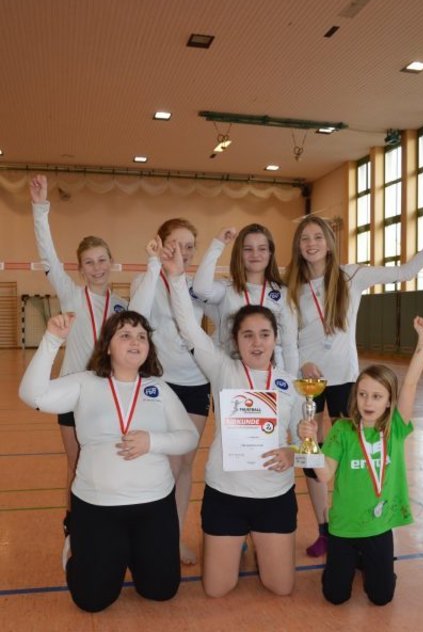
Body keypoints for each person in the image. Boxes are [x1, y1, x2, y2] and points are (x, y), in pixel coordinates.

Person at [286, 213, 423, 558]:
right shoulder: (290, 285)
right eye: (304, 239)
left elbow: (404, 272)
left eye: (317, 237)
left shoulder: (352, 275)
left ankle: (361, 520)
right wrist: (299, 366)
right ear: (298, 246)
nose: (311, 244)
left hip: (345, 379)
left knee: (357, 454)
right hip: (305, 380)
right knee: (312, 454)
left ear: (328, 241)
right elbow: (288, 340)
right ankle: (325, 528)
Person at [19, 310, 199, 612]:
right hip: (97, 508)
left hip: (154, 507)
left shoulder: (159, 388)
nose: (135, 341)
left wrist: (153, 442)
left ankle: (129, 551)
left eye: (142, 336)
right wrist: (51, 340)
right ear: (107, 346)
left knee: (161, 591)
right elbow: (31, 395)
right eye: (125, 335)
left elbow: (188, 437)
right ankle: (77, 544)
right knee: (91, 600)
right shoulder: (85, 383)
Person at [161, 239, 303, 598]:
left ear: (276, 339)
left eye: (265, 335)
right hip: (226, 494)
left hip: (275, 495)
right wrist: (177, 280)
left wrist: (293, 453)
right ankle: (240, 540)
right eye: (248, 335)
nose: (257, 343)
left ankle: (262, 543)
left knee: (281, 587)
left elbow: (308, 443)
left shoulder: (291, 385)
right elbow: (189, 328)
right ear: (235, 340)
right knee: (216, 590)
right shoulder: (222, 369)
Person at [298, 316, 423, 605]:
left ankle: (379, 569)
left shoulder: (394, 429)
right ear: (355, 396)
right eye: (362, 394)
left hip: (378, 526)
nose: (368, 402)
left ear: (388, 401)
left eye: (376, 396)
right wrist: (309, 443)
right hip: (344, 528)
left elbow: (410, 384)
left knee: (381, 597)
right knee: (335, 596)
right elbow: (323, 476)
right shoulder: (343, 432)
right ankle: (344, 566)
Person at [30, 174, 128, 541]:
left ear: (111, 262)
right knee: (76, 461)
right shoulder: (71, 295)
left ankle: (111, 516)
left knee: (109, 460)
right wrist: (40, 208)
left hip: (111, 395)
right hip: (74, 395)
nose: (97, 267)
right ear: (80, 268)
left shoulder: (123, 307)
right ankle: (75, 524)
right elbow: (47, 256)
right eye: (89, 262)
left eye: (102, 260)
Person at [129, 218, 214, 565]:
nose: (184, 252)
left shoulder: (198, 286)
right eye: (176, 244)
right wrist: (154, 266)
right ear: (161, 244)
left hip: (195, 383)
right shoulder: (145, 279)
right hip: (158, 384)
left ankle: (173, 537)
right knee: (158, 463)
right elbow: (135, 315)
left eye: (191, 245)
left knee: (183, 464)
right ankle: (149, 536)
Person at [192, 224, 299, 376]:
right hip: (232, 374)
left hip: (272, 375)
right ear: (239, 254)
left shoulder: (282, 293)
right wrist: (218, 243)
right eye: (248, 249)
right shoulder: (226, 288)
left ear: (270, 253)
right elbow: (200, 289)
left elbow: (289, 346)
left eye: (262, 249)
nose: (255, 254)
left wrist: (292, 387)